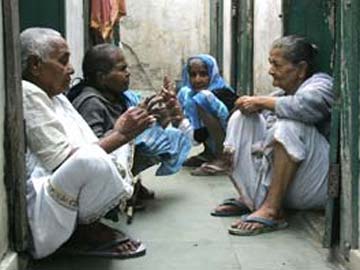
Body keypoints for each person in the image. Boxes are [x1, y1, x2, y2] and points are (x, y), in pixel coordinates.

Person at [21, 27, 155, 259]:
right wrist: (121, 133)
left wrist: (123, 134)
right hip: (42, 202)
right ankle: (82, 231)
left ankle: (86, 225)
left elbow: (87, 143)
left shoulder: (57, 97)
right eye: (63, 61)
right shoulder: (28, 92)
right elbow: (65, 162)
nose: (71, 69)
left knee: (112, 149)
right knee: (92, 158)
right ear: (35, 65)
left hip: (63, 184)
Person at [209, 35, 334, 235]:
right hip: (289, 187)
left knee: (288, 126)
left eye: (276, 64)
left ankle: (272, 210)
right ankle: (252, 197)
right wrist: (253, 107)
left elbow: (307, 106)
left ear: (301, 69)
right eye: (270, 63)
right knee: (242, 119)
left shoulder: (321, 84)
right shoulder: (281, 94)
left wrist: (261, 102)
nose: (270, 71)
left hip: (317, 186)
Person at [67, 44, 191, 188]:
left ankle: (128, 180)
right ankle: (115, 187)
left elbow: (150, 127)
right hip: (94, 169)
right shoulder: (91, 103)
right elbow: (92, 150)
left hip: (113, 158)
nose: (128, 73)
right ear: (102, 77)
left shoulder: (119, 96)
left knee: (167, 136)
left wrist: (164, 113)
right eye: (122, 69)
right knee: (149, 141)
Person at [177, 54, 238, 175]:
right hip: (214, 138)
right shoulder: (189, 94)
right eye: (193, 75)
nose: (197, 80)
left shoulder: (222, 92)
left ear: (212, 74)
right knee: (193, 98)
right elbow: (199, 134)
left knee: (203, 99)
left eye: (203, 74)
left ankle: (222, 159)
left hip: (232, 143)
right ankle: (209, 153)